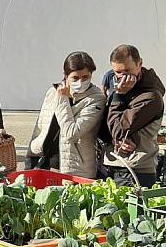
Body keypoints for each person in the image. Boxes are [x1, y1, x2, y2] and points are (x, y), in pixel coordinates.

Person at [26, 52, 105, 179]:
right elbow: (41, 125)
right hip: (44, 161)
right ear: (66, 76)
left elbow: (72, 132)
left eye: (85, 77)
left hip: (75, 168)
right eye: (75, 78)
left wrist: (63, 100)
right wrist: (31, 156)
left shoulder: (96, 98)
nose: (80, 82)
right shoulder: (53, 92)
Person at [103, 44, 164, 187]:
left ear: (139, 64)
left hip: (135, 170)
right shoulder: (120, 88)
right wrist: (112, 139)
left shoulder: (151, 96)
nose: (123, 77)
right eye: (118, 72)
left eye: (127, 71)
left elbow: (119, 129)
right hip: (114, 164)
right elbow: (104, 124)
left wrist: (119, 97)